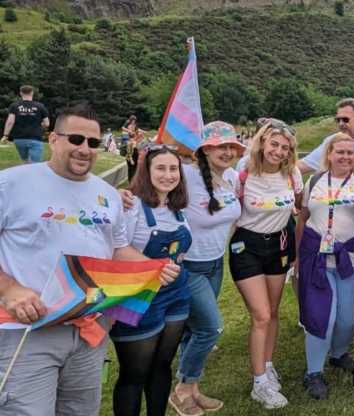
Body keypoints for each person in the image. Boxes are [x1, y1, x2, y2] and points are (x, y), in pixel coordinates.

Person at [0, 102, 178, 416]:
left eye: (93, 143)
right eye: (76, 139)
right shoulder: (12, 184)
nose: (85, 149)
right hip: (28, 330)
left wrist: (152, 268)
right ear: (53, 138)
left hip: (89, 328)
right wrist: (9, 290)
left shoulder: (107, 194)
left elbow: (117, 249)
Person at [111, 144, 192, 416]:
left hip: (176, 294)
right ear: (146, 171)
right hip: (138, 296)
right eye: (161, 168)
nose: (168, 175)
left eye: (173, 169)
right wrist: (154, 266)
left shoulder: (176, 205)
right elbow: (115, 250)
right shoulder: (131, 205)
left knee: (162, 365)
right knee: (134, 374)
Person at [171, 121, 244, 415]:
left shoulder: (231, 178)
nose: (227, 152)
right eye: (220, 146)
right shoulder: (186, 175)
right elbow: (151, 189)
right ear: (205, 149)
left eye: (231, 147)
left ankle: (193, 389)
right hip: (189, 265)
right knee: (210, 328)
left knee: (194, 329)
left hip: (215, 262)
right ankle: (181, 390)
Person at [230, 119, 302, 408]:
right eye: (274, 144)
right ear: (262, 142)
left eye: (285, 148)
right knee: (260, 314)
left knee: (272, 312)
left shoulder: (292, 173)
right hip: (247, 246)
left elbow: (296, 206)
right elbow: (229, 206)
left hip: (280, 245)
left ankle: (268, 365)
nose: (279, 151)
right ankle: (259, 383)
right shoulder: (244, 172)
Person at [297, 133, 354, 400]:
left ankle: (338, 354)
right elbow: (303, 219)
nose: (345, 157)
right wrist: (297, 257)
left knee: (347, 318)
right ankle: (313, 372)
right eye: (339, 152)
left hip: (351, 259)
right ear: (328, 154)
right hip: (317, 259)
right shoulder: (314, 181)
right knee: (321, 316)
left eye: (350, 152)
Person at [297, 98, 354, 178]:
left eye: (345, 119)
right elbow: (303, 165)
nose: (341, 123)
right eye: (338, 120)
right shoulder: (331, 142)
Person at [2, 85, 50, 163]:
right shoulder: (40, 106)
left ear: (21, 93)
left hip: (19, 139)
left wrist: (5, 135)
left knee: (25, 161)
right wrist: (39, 126)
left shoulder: (15, 106)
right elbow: (47, 123)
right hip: (35, 138)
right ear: (32, 93)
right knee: (35, 164)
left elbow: (10, 122)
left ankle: (26, 172)